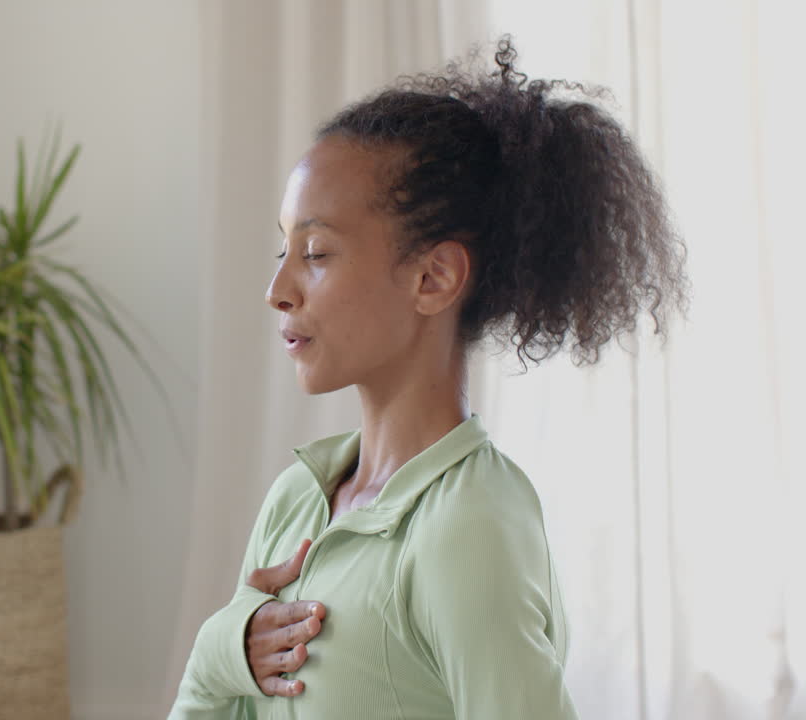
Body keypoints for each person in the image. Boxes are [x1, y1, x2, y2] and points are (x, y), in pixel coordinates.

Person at [168, 36, 688, 720]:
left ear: (433, 277)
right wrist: (220, 649)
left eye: (317, 252)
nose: (277, 288)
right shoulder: (298, 499)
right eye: (283, 248)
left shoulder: (469, 527)